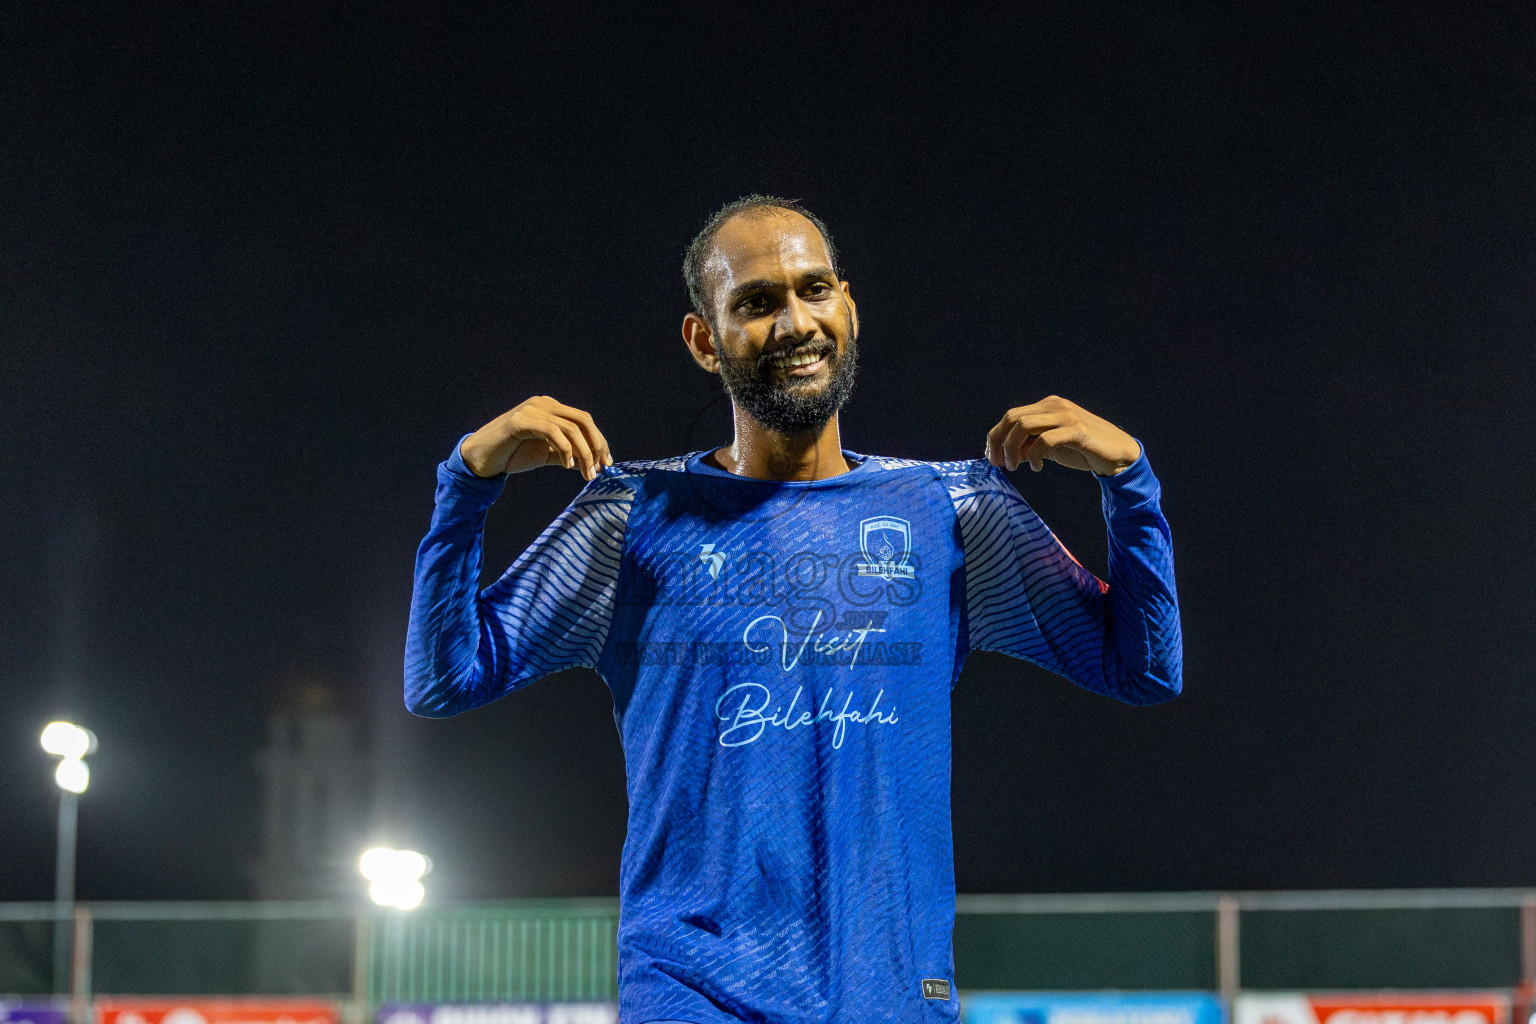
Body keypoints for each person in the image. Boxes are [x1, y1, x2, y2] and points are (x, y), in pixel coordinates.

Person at [404, 195, 1182, 1024]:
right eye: (756, 302)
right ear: (706, 340)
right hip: (692, 994)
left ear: (848, 305)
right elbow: (445, 677)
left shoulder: (953, 513)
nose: (795, 322)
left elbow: (1140, 669)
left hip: (892, 997)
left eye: (814, 291)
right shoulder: (632, 516)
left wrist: (1130, 485)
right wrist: (467, 488)